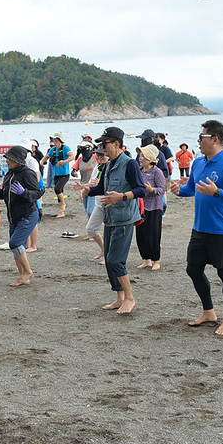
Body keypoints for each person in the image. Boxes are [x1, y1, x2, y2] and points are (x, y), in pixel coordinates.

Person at [170, 120, 223, 336]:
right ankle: (208, 312)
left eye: (202, 136)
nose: (198, 139)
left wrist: (218, 192)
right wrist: (179, 191)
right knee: (193, 270)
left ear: (215, 139)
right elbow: (191, 189)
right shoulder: (198, 163)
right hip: (200, 229)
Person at [73, 127, 146, 313]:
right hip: (110, 217)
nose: (102, 148)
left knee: (115, 261)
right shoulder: (108, 165)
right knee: (110, 259)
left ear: (116, 144)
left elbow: (141, 190)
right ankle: (119, 298)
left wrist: (120, 197)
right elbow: (103, 189)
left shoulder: (129, 163)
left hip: (124, 218)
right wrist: (87, 188)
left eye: (104, 144)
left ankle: (130, 298)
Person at [0, 145, 44, 286]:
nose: (6, 160)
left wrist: (23, 193)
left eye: (9, 158)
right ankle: (23, 277)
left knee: (15, 243)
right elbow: (6, 193)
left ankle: (28, 272)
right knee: (16, 248)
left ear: (17, 160)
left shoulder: (27, 173)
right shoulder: (9, 174)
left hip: (27, 215)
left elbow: (38, 192)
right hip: (13, 217)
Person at [135, 144, 166, 271]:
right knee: (141, 234)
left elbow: (162, 189)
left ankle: (156, 260)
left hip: (154, 207)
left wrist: (151, 189)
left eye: (142, 156)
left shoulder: (157, 171)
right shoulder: (140, 171)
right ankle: (147, 259)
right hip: (142, 207)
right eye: (140, 156)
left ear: (149, 158)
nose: (140, 158)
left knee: (153, 234)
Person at [44, 133, 73, 218]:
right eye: (53, 140)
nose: (54, 142)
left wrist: (64, 162)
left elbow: (72, 157)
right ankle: (61, 212)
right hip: (56, 174)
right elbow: (46, 157)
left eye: (56, 140)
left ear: (60, 141)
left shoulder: (65, 148)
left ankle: (63, 203)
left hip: (65, 174)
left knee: (57, 189)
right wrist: (42, 162)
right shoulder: (52, 150)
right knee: (59, 192)